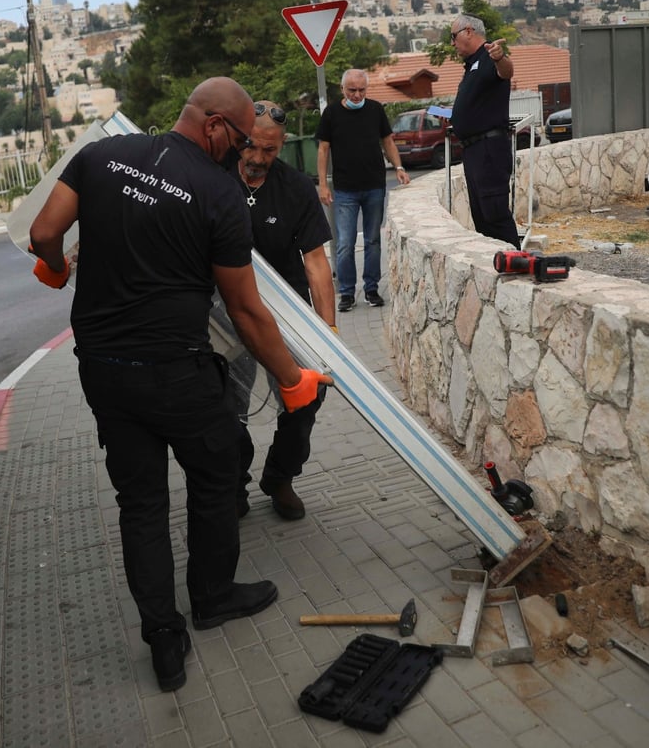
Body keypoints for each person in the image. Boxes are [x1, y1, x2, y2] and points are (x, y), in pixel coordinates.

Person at [29, 77, 332, 693]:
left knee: (139, 503)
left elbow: (41, 234)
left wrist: (58, 268)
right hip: (176, 371)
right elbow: (245, 311)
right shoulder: (219, 194)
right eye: (242, 138)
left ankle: (164, 641)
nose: (244, 151)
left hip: (104, 369)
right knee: (217, 475)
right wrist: (292, 377)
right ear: (216, 125)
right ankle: (213, 596)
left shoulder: (100, 156)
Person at [232, 101, 335, 521]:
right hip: (227, 308)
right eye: (251, 148)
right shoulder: (214, 175)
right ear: (239, 138)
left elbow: (315, 261)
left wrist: (328, 330)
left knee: (308, 394)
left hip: (286, 312)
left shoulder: (294, 188)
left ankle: (280, 476)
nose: (258, 159)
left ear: (283, 145)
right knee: (224, 402)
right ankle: (231, 480)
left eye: (269, 152)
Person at [315, 69, 411, 312]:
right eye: (352, 90)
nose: (357, 95)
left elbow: (387, 141)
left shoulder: (376, 109)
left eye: (361, 90)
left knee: (373, 241)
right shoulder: (332, 114)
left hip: (374, 187)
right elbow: (323, 150)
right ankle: (346, 293)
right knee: (345, 243)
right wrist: (323, 185)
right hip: (345, 190)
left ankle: (371, 289)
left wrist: (398, 167)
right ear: (342, 89)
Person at [449, 13, 521, 248]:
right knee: (481, 219)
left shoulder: (490, 56)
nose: (452, 43)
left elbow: (506, 72)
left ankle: (516, 265)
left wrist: (501, 58)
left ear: (468, 31)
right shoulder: (471, 64)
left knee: (495, 214)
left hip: (489, 149)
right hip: (473, 151)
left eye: (453, 36)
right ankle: (497, 266)